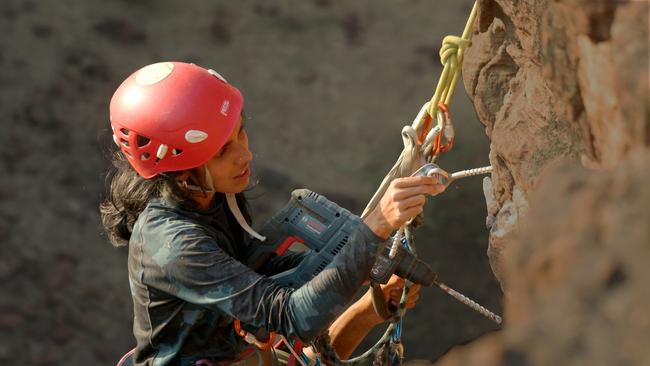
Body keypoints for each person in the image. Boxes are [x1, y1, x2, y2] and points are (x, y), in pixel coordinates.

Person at [100, 61, 445, 366]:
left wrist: (367, 272)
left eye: (240, 133)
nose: (244, 155)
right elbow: (293, 316)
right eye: (222, 151)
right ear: (181, 170)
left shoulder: (208, 195)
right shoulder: (175, 245)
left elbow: (259, 281)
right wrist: (376, 227)